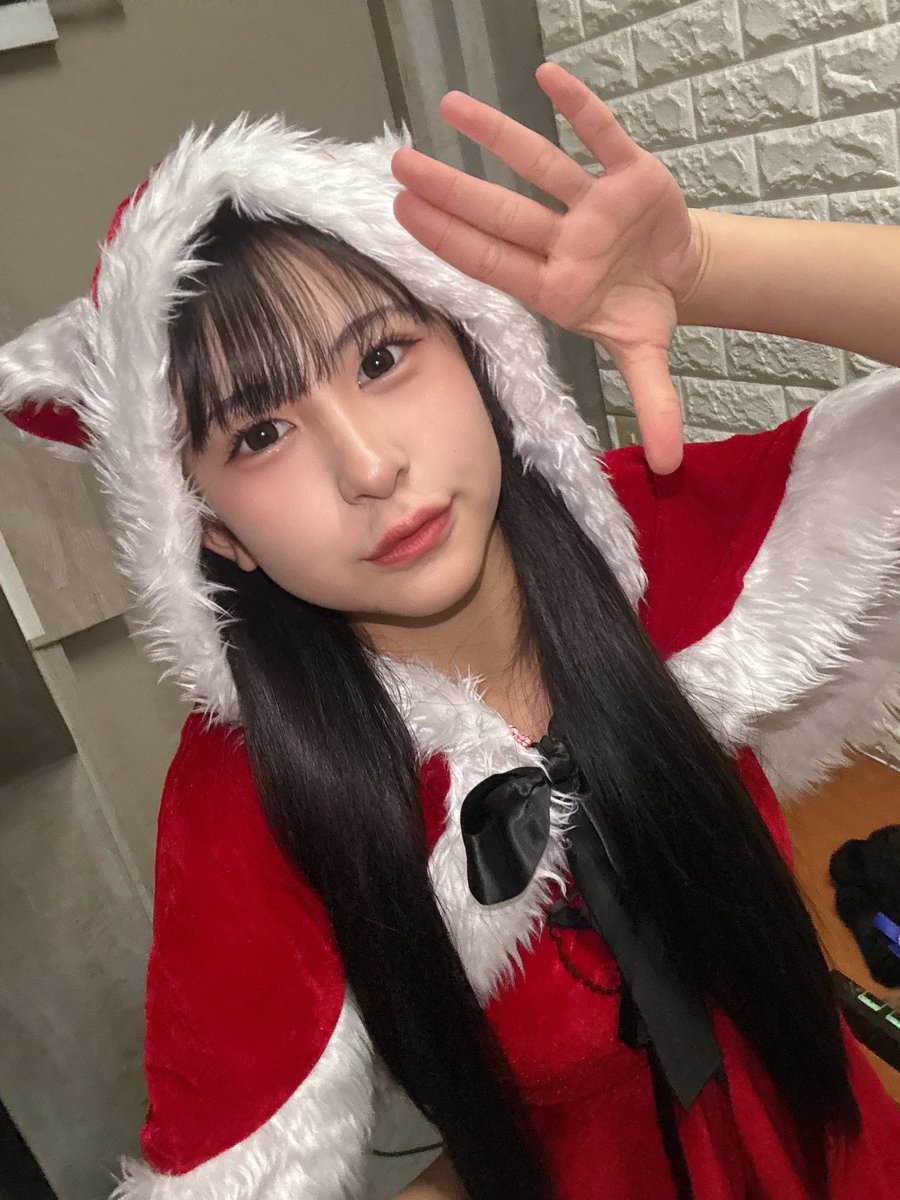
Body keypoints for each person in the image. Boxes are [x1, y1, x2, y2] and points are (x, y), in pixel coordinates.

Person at [1, 60, 899, 1200]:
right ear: (212, 531)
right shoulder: (250, 798)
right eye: (259, 435)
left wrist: (711, 268)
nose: (370, 466)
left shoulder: (644, 533)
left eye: (382, 359)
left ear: (480, 356)